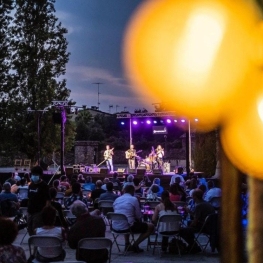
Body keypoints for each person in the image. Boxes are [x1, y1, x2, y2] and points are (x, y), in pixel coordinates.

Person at [113, 185, 154, 253]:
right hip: (128, 226)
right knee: (151, 226)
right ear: (133, 191)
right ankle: (135, 245)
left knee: (127, 220)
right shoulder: (133, 199)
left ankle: (127, 244)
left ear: (124, 191)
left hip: (115, 226)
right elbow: (139, 216)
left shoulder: (117, 199)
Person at [27, 166, 50, 236]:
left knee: (36, 229)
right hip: (30, 211)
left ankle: (36, 245)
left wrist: (44, 210)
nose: (34, 176)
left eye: (36, 175)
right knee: (30, 229)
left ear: (40, 175)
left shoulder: (44, 186)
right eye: (33, 174)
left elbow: (48, 199)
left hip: (39, 211)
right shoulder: (31, 185)